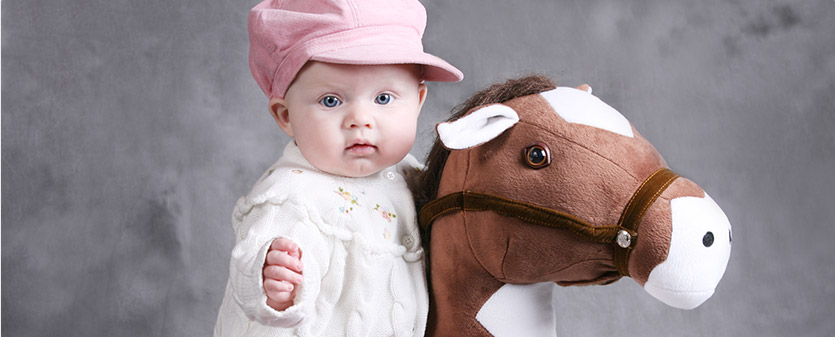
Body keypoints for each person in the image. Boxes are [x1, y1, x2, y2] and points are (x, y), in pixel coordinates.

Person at [213, 0, 463, 336]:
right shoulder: (292, 194)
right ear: (286, 115)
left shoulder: (409, 177)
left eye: (384, 98)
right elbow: (257, 255)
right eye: (331, 100)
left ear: (417, 102)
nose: (360, 120)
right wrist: (273, 281)